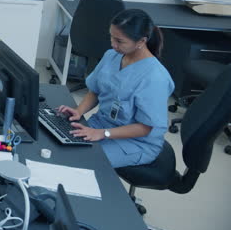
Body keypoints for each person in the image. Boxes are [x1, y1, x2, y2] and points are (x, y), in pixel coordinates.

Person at [57, 9, 173, 168]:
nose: (113, 44)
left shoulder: (155, 78)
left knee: (81, 162)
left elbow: (145, 127)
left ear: (141, 42)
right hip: (101, 125)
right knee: (62, 147)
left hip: (135, 141)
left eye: (119, 41)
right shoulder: (111, 55)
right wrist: (79, 111)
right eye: (111, 37)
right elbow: (96, 90)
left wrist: (102, 133)